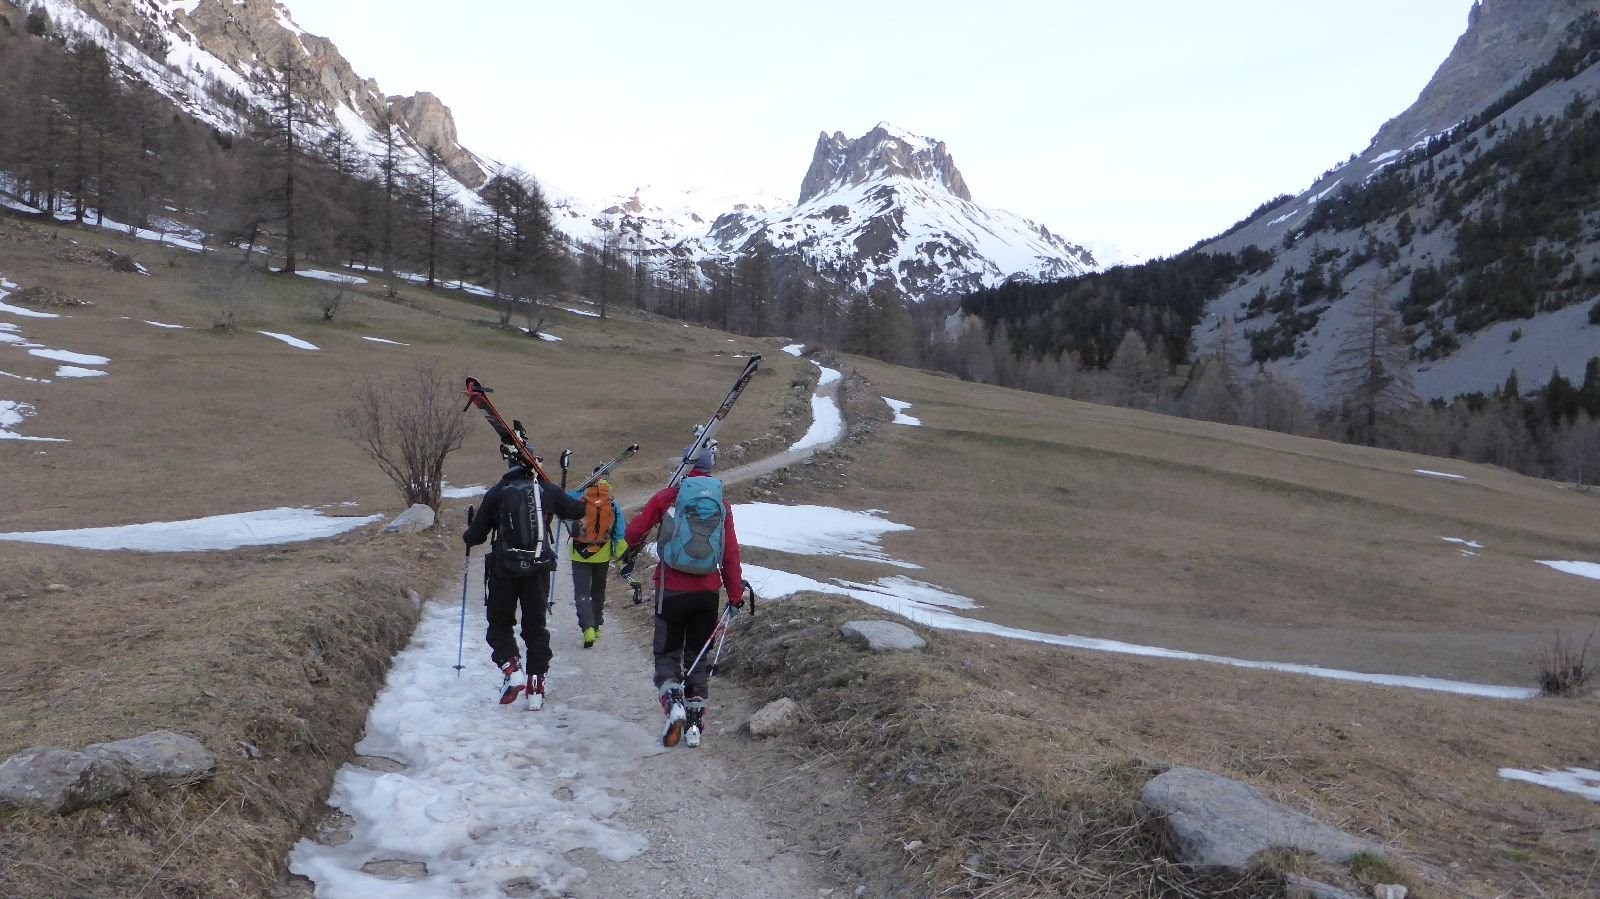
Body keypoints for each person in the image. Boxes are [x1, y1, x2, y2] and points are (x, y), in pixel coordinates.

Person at [623, 440, 744, 748]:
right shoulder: (721, 504)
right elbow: (730, 553)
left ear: (686, 466)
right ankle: (694, 726)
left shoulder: (668, 497)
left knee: (667, 654)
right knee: (697, 657)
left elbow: (632, 532)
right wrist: (734, 595)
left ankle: (673, 702)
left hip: (671, 590)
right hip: (707, 592)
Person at [463, 441, 585, 708]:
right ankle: (536, 686)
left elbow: (475, 536)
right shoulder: (547, 490)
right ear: (534, 463)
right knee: (535, 628)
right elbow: (578, 511)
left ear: (510, 464)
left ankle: (511, 668)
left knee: (499, 625)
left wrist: (467, 531)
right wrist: (557, 494)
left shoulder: (498, 492)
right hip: (538, 571)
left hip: (503, 571)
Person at [566, 469, 628, 648]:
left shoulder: (579, 496)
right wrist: (620, 555)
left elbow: (562, 500)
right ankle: (597, 625)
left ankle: (587, 628)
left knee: (582, 592)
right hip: (602, 553)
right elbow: (619, 531)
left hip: (580, 553)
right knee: (598, 591)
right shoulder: (611, 501)